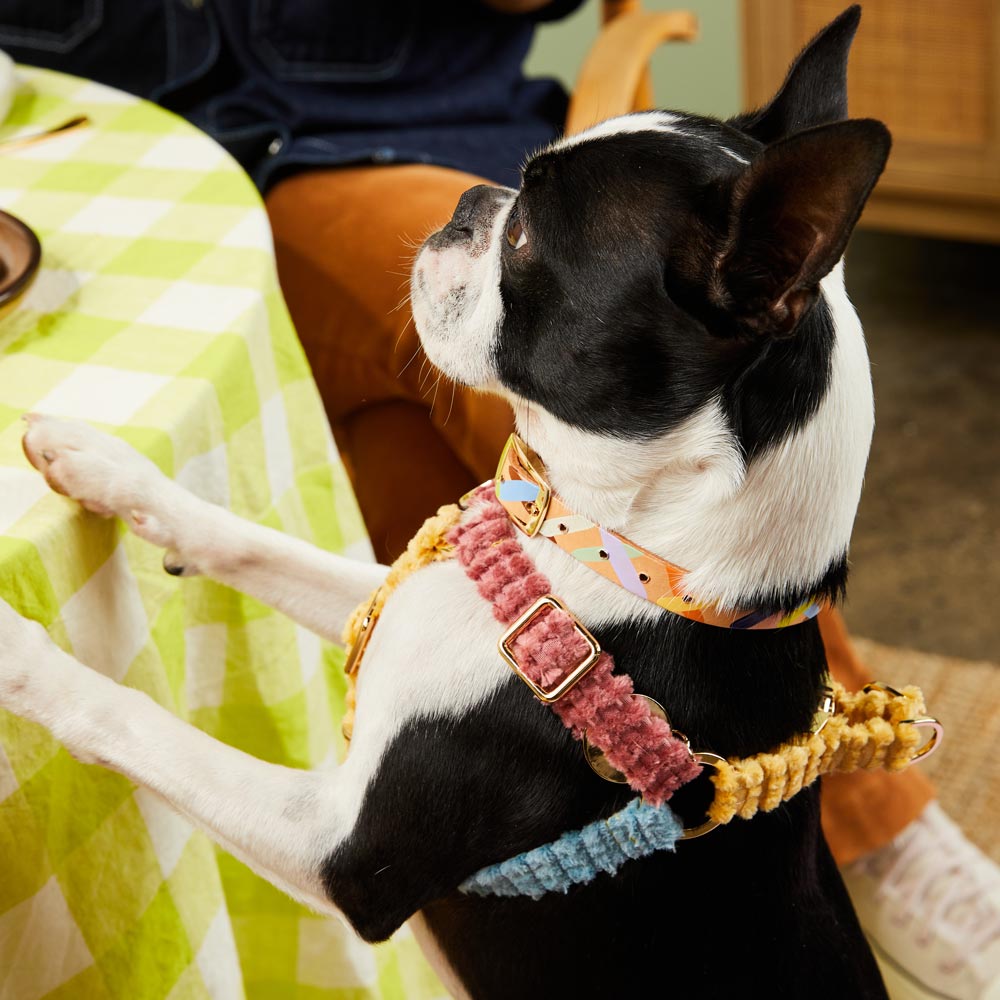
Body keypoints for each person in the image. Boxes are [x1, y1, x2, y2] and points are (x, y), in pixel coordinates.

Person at [3, 4, 997, 995]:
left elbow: (339, 856)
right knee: (407, 454)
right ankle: (893, 835)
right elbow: (434, 634)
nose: (484, 226)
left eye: (518, 235)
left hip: (382, 115)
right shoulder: (595, 594)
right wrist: (179, 522)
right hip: (189, 128)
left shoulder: (638, 687)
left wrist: (54, 687)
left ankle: (890, 836)